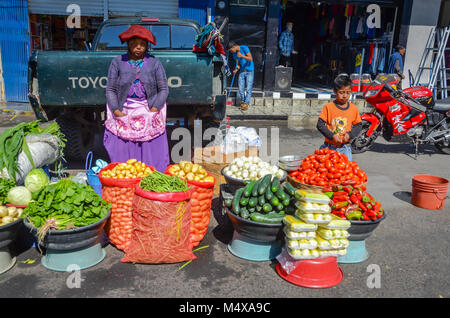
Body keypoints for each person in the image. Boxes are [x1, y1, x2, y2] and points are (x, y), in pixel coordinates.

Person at [103, 24, 170, 172]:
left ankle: (151, 172)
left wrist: (154, 109)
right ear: (128, 44)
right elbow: (111, 89)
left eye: (142, 44)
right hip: (124, 108)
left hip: (148, 108)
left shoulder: (155, 63)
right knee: (122, 146)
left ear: (146, 46)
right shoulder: (117, 62)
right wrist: (116, 111)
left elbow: (164, 89)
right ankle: (126, 174)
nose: (138, 47)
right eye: (134, 43)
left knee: (151, 148)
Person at [316, 74, 362, 161]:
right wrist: (332, 135)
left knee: (346, 172)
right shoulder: (328, 107)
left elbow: (358, 125)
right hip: (328, 147)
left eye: (348, 93)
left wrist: (350, 135)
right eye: (341, 92)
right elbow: (320, 124)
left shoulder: (353, 108)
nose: (345, 96)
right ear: (335, 91)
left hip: (345, 148)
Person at [228, 41, 254, 111]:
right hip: (242, 71)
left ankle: (246, 103)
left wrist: (242, 56)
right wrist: (236, 69)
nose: (231, 52)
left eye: (231, 50)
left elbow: (250, 58)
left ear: (234, 47)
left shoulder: (244, 48)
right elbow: (238, 64)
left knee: (248, 88)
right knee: (241, 88)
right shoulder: (234, 54)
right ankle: (243, 102)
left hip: (250, 70)